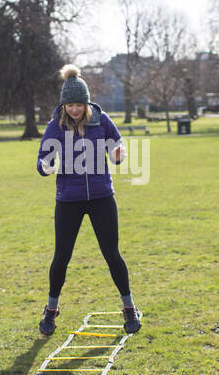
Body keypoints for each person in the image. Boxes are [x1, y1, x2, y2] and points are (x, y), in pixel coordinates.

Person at [36, 64, 141, 336]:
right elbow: (42, 160)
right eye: (69, 104)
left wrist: (119, 154)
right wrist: (46, 166)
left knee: (112, 254)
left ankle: (129, 307)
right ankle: (51, 309)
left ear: (86, 103)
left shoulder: (102, 120)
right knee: (62, 257)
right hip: (68, 200)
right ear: (64, 104)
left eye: (78, 104)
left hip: (101, 197)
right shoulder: (55, 126)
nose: (74, 109)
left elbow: (119, 149)